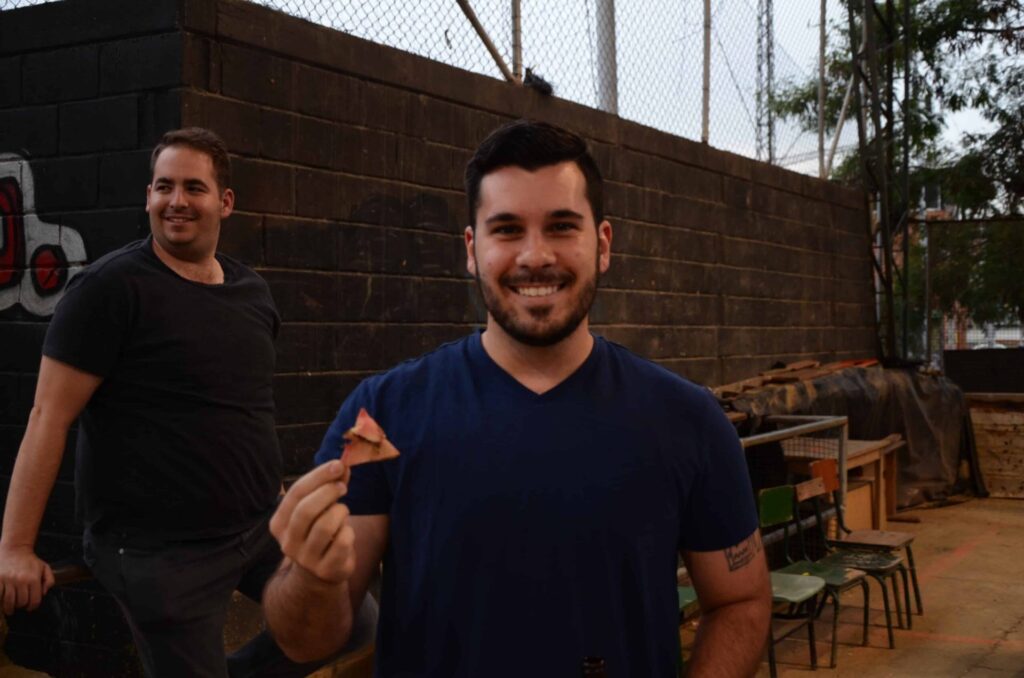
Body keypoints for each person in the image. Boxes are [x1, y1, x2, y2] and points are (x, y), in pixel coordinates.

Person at [263, 120, 772, 677]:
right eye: (506, 229)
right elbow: (305, 642)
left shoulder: (688, 421)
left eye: (561, 226)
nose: (534, 255)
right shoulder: (381, 416)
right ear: (471, 248)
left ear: (602, 245)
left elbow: (740, 601)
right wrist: (309, 576)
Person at [0, 127, 358, 677]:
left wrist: (275, 491)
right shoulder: (108, 290)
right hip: (157, 554)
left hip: (257, 529)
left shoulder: (252, 293)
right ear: (148, 197)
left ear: (225, 202)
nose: (176, 201)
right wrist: (16, 549)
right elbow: (48, 417)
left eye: (194, 187)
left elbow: (245, 406)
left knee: (355, 621)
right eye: (164, 187)